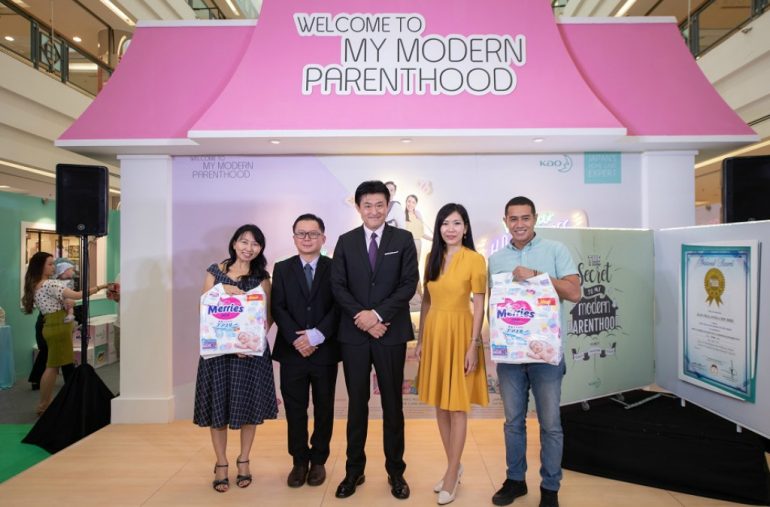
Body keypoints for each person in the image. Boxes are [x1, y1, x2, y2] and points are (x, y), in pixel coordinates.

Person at [488, 197, 581, 507]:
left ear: (535, 218)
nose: (519, 224)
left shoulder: (555, 250)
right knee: (512, 422)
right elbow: (495, 306)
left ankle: (550, 488)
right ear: (505, 222)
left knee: (550, 423)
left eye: (525, 218)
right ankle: (515, 481)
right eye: (513, 219)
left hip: (546, 358)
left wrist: (538, 276)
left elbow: (574, 292)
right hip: (511, 358)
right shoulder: (496, 259)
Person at [331, 180, 419, 500]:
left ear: (388, 205)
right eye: (367, 205)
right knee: (357, 405)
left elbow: (409, 283)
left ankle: (396, 472)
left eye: (379, 204)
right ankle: (354, 471)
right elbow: (338, 286)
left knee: (393, 405)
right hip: (355, 335)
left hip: (390, 332)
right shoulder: (346, 241)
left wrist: (379, 316)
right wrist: (364, 319)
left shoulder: (404, 238)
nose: (373, 210)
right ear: (358, 208)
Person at [193, 224, 278, 493]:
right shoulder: (215, 272)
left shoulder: (263, 277)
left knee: (249, 408)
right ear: (234, 243)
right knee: (218, 408)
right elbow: (204, 308)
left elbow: (268, 315)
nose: (248, 248)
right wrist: (221, 292)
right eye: (244, 241)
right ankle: (221, 463)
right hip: (218, 355)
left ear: (261, 249)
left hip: (249, 355)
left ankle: (244, 461)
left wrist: (251, 341)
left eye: (255, 244)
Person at [415, 203, 488, 505]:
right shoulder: (432, 257)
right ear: (439, 228)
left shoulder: (475, 259)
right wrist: (421, 340)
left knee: (457, 406)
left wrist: (473, 344)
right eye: (445, 223)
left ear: (466, 228)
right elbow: (428, 302)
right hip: (434, 334)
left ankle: (450, 475)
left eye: (457, 223)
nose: (451, 229)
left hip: (461, 335)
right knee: (441, 407)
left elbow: (480, 305)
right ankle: (453, 468)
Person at [271, 213, 340, 488]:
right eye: (301, 233)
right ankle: (299, 461)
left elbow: (339, 305)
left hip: (324, 351)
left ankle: (319, 460)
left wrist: (317, 335)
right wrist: (297, 339)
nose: (307, 238)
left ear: (323, 237)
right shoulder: (282, 268)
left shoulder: (335, 267)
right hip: (292, 352)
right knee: (295, 409)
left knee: (324, 407)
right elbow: (278, 306)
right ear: (294, 238)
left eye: (313, 233)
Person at [21, 252, 106, 415]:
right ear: (41, 266)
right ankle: (44, 405)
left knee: (53, 365)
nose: (54, 266)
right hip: (58, 327)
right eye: (50, 264)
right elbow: (78, 295)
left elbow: (64, 301)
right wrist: (101, 287)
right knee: (52, 367)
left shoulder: (37, 284)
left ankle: (47, 403)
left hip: (52, 325)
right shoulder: (49, 284)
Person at [404, 194, 433, 260]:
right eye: (409, 201)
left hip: (418, 243)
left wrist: (433, 239)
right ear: (406, 202)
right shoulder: (402, 215)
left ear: (416, 204)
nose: (410, 204)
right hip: (407, 244)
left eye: (413, 202)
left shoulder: (418, 215)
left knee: (415, 265)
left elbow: (422, 234)